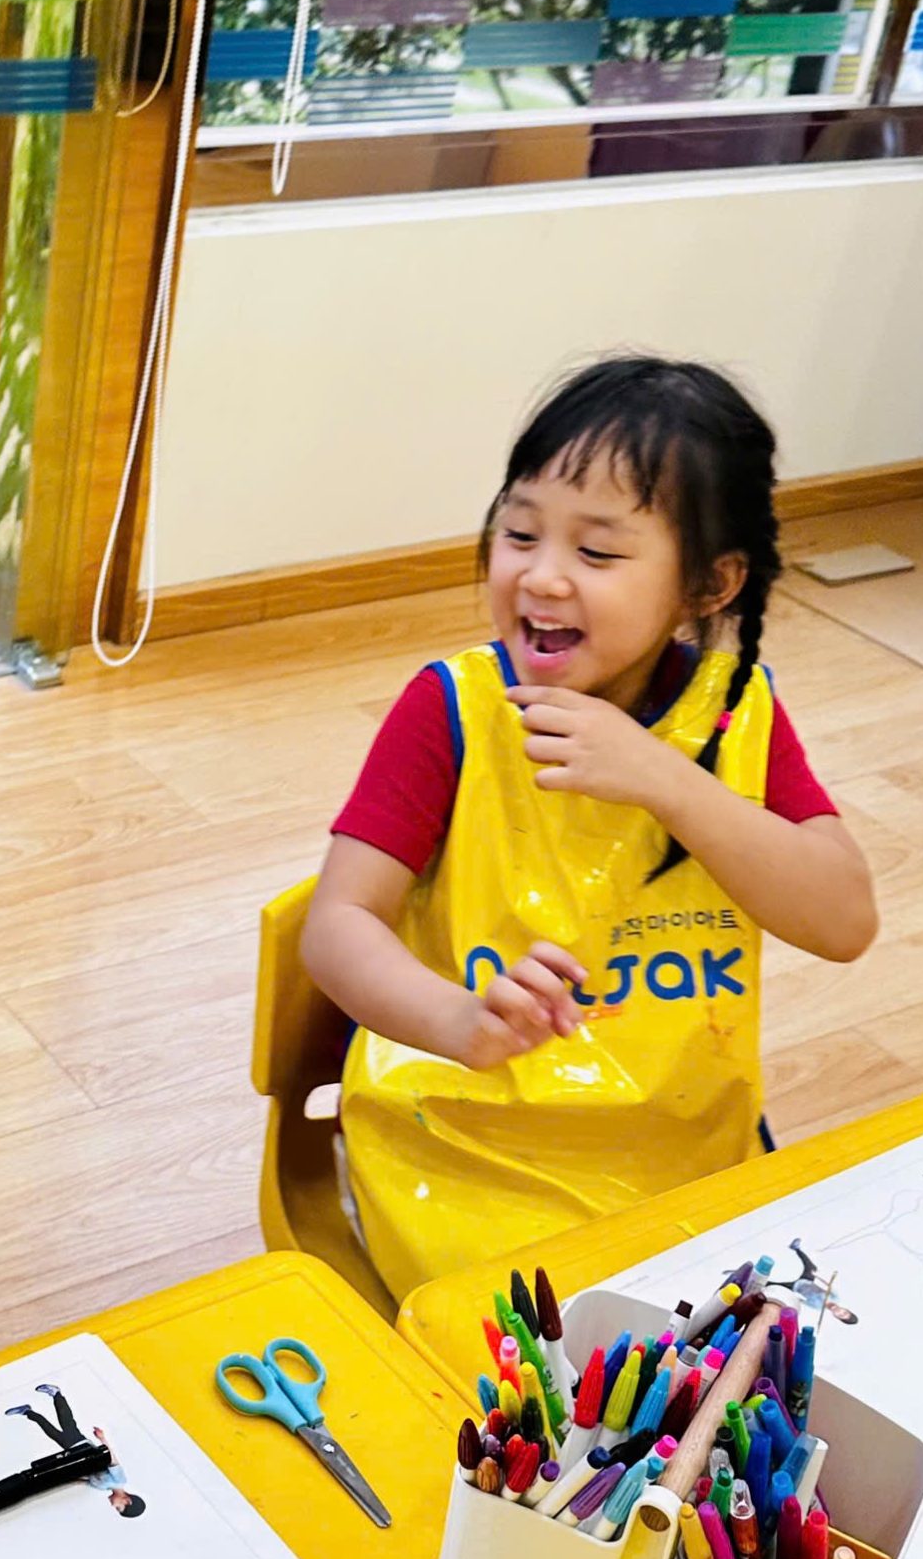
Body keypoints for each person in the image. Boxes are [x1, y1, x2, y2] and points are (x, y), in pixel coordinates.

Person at [303, 358, 876, 1301]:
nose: (541, 576)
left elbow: (844, 922)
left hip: (684, 1152)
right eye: (519, 532)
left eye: (598, 554)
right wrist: (457, 1020)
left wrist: (670, 782)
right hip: (464, 1145)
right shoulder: (451, 710)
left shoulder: (736, 713)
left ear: (710, 584)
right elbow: (337, 925)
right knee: (544, 1365)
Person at [4, 1383, 146, 1516]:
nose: (113, 1506)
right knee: (66, 1423)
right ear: (127, 1500)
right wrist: (102, 1439)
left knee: (54, 1432)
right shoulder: (120, 1480)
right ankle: (55, 1395)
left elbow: (79, 1480)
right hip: (84, 1449)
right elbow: (112, 1459)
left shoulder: (101, 1487)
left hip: (73, 1456)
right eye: (118, 1507)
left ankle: (29, 1410)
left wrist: (58, 1479)